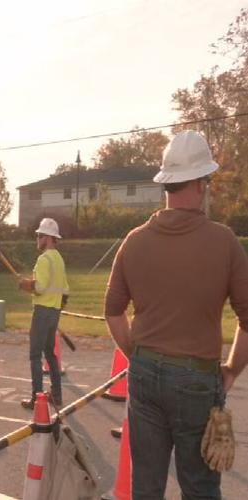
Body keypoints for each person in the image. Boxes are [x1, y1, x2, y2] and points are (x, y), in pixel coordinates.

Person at [104, 130, 248, 499]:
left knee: (146, 485)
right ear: (201, 183)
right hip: (197, 379)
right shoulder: (224, 242)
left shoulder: (134, 240)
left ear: (167, 184)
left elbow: (113, 312)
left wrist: (136, 353)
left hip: (145, 374)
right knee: (199, 486)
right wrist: (230, 370)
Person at [19, 217, 69, 409]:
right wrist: (56, 309)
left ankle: (37, 398)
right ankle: (56, 395)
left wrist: (25, 284)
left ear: (47, 237)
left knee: (35, 355)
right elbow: (65, 291)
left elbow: (39, 288)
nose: (37, 239)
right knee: (50, 354)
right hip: (54, 312)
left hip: (42, 312)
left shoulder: (44, 259)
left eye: (39, 235)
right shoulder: (58, 259)